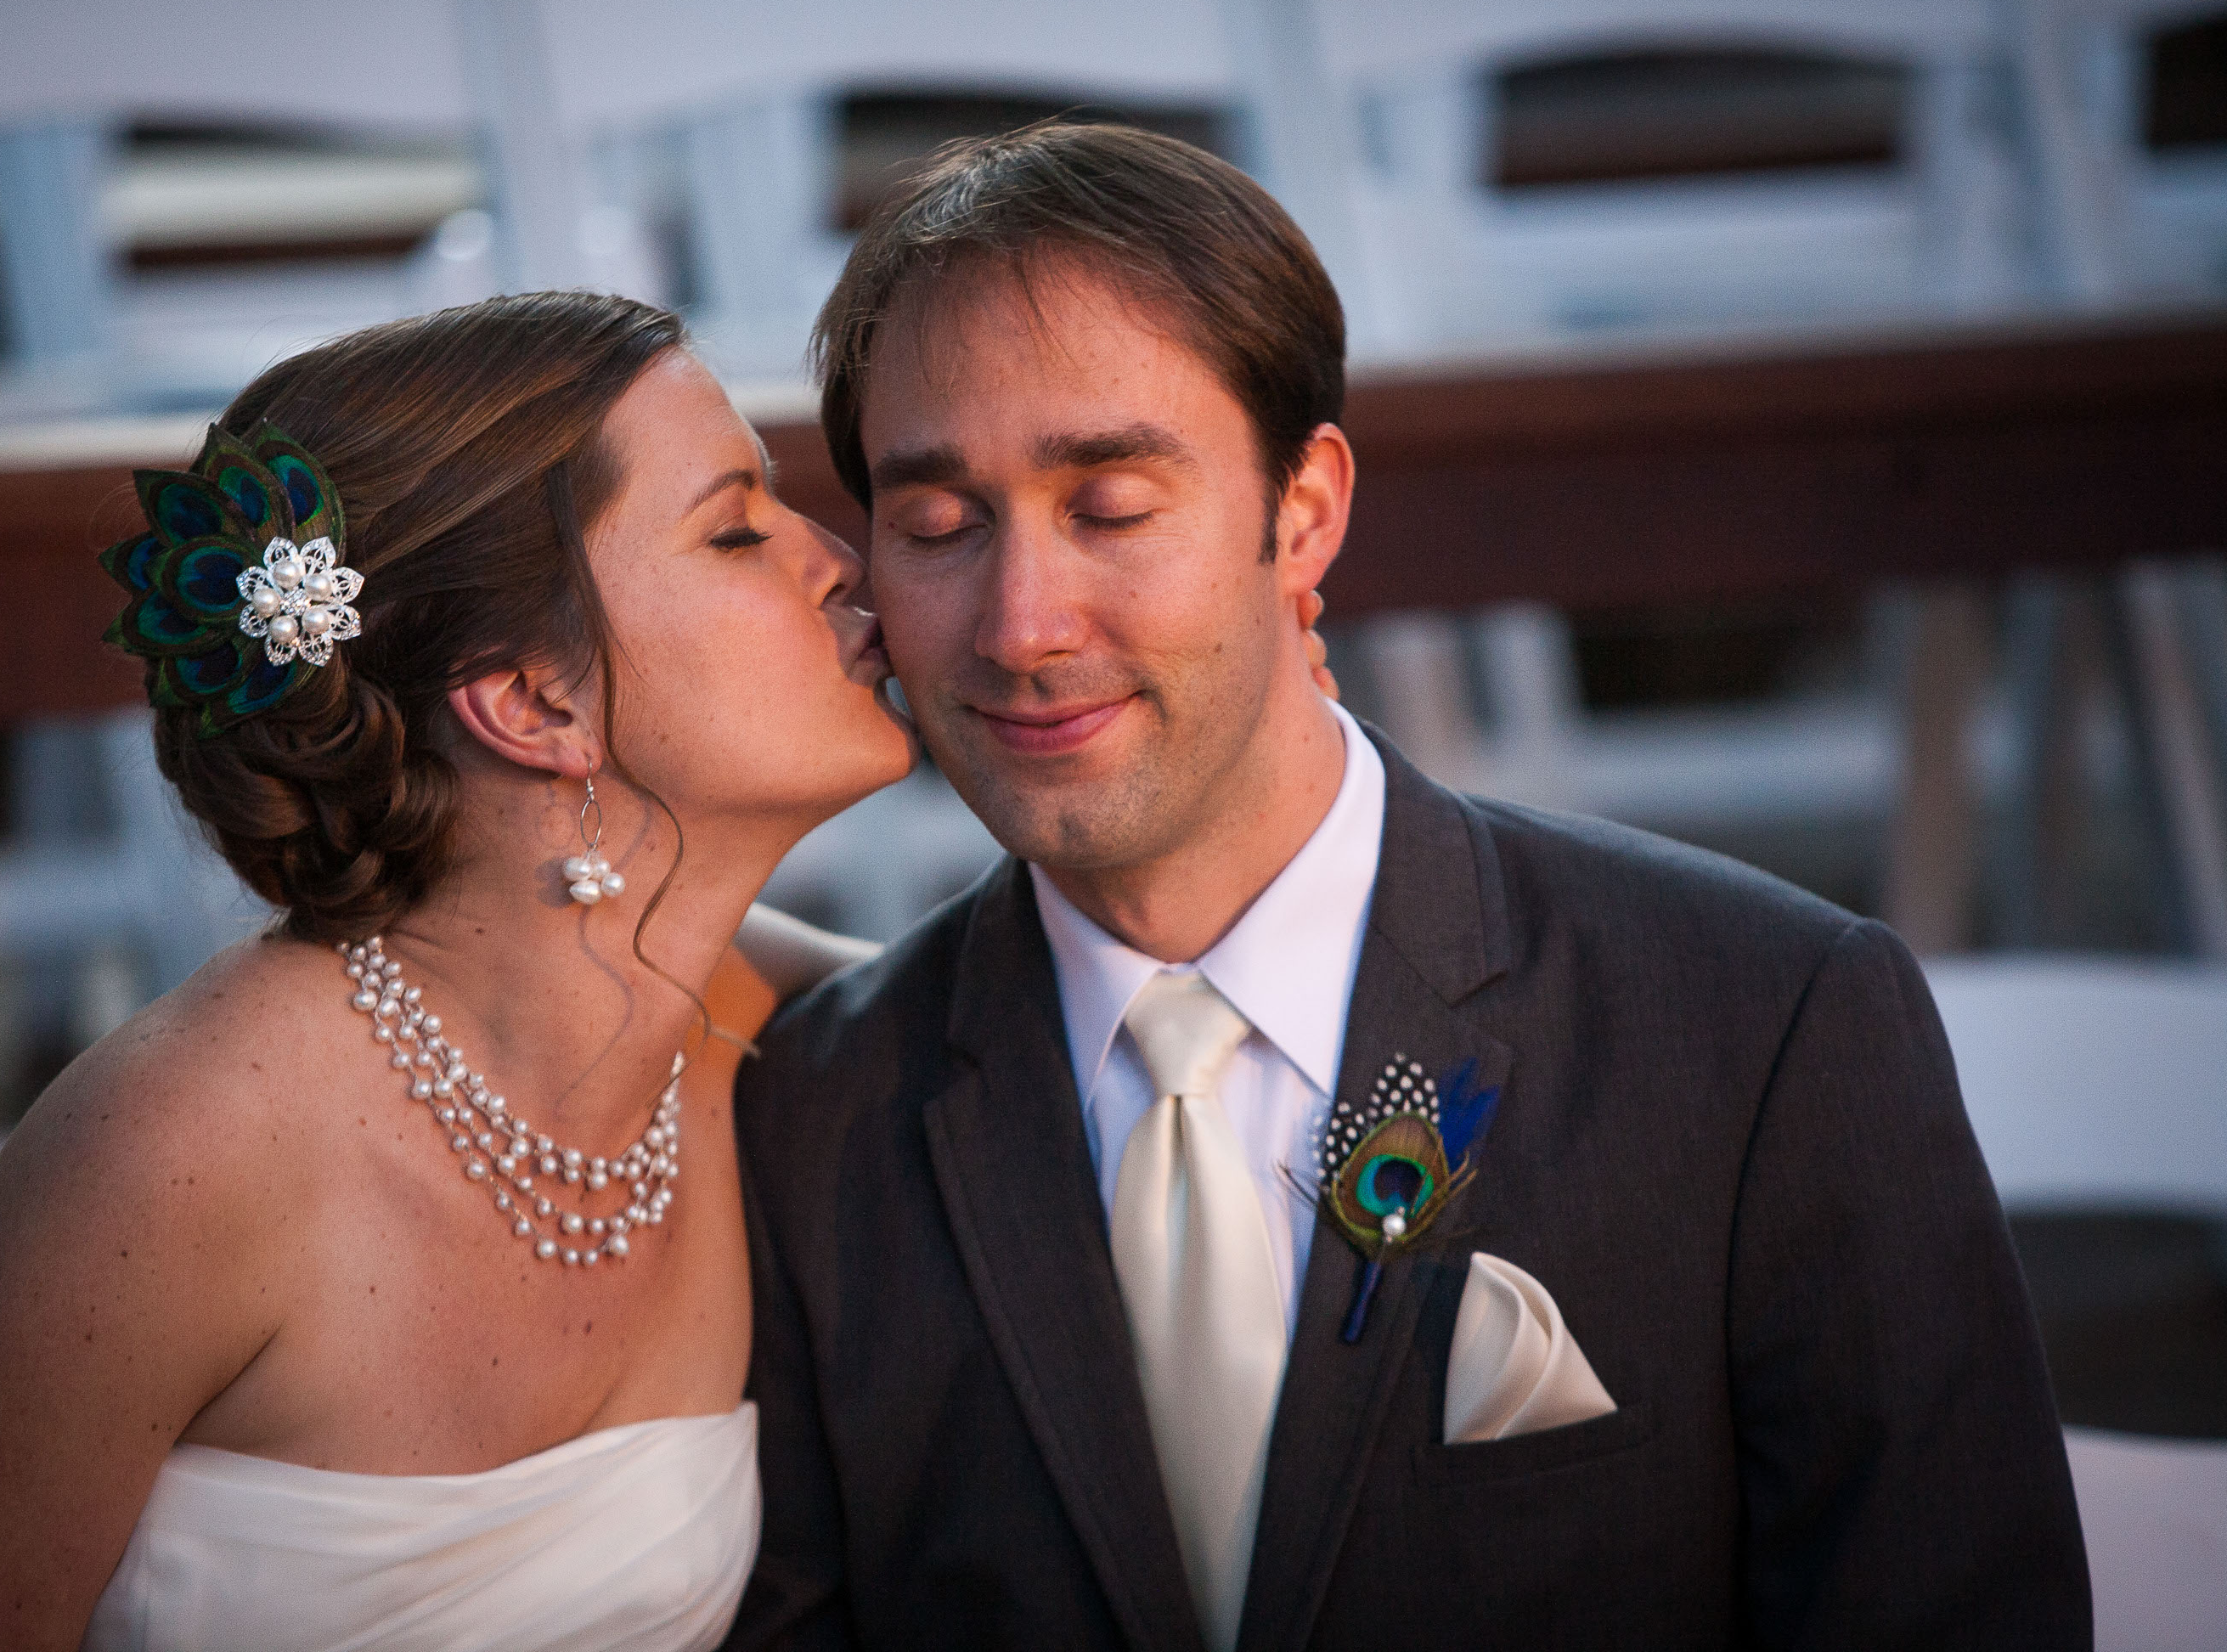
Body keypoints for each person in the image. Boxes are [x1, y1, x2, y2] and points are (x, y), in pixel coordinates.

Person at [729, 121, 2091, 1649]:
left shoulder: (1764, 1032)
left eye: (1111, 508)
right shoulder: (810, 1122)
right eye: (936, 526)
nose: (1022, 623)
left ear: (1303, 510)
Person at [0, 293, 919, 1652]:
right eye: (740, 528)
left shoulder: (757, 1030)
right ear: (531, 702)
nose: (843, 560)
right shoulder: (181, 1154)